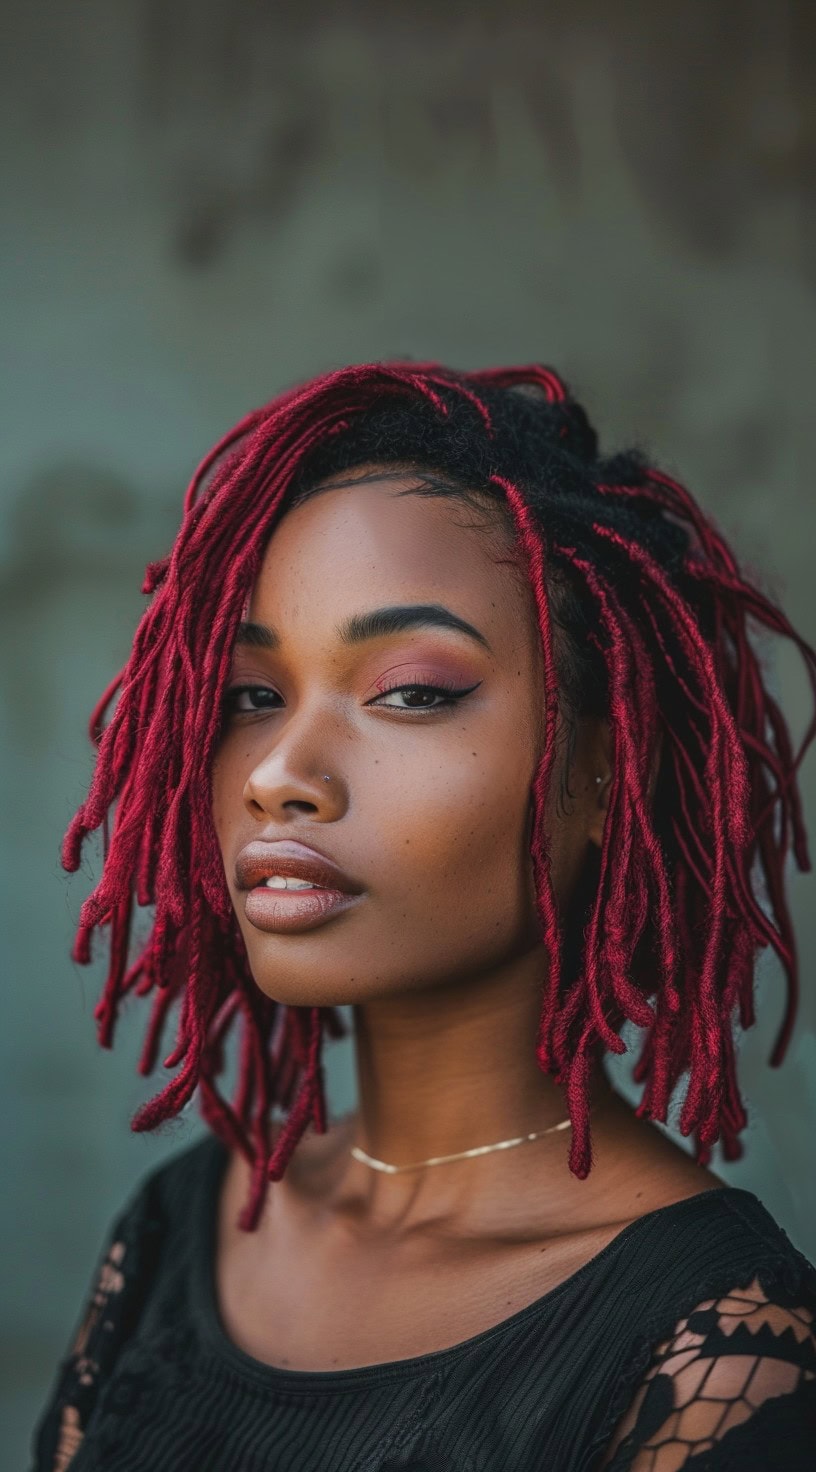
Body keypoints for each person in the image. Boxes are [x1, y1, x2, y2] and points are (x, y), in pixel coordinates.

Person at [31, 362, 816, 1471]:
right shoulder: (183, 1226)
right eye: (255, 695)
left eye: (411, 690)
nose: (279, 773)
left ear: (602, 767)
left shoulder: (716, 1339)